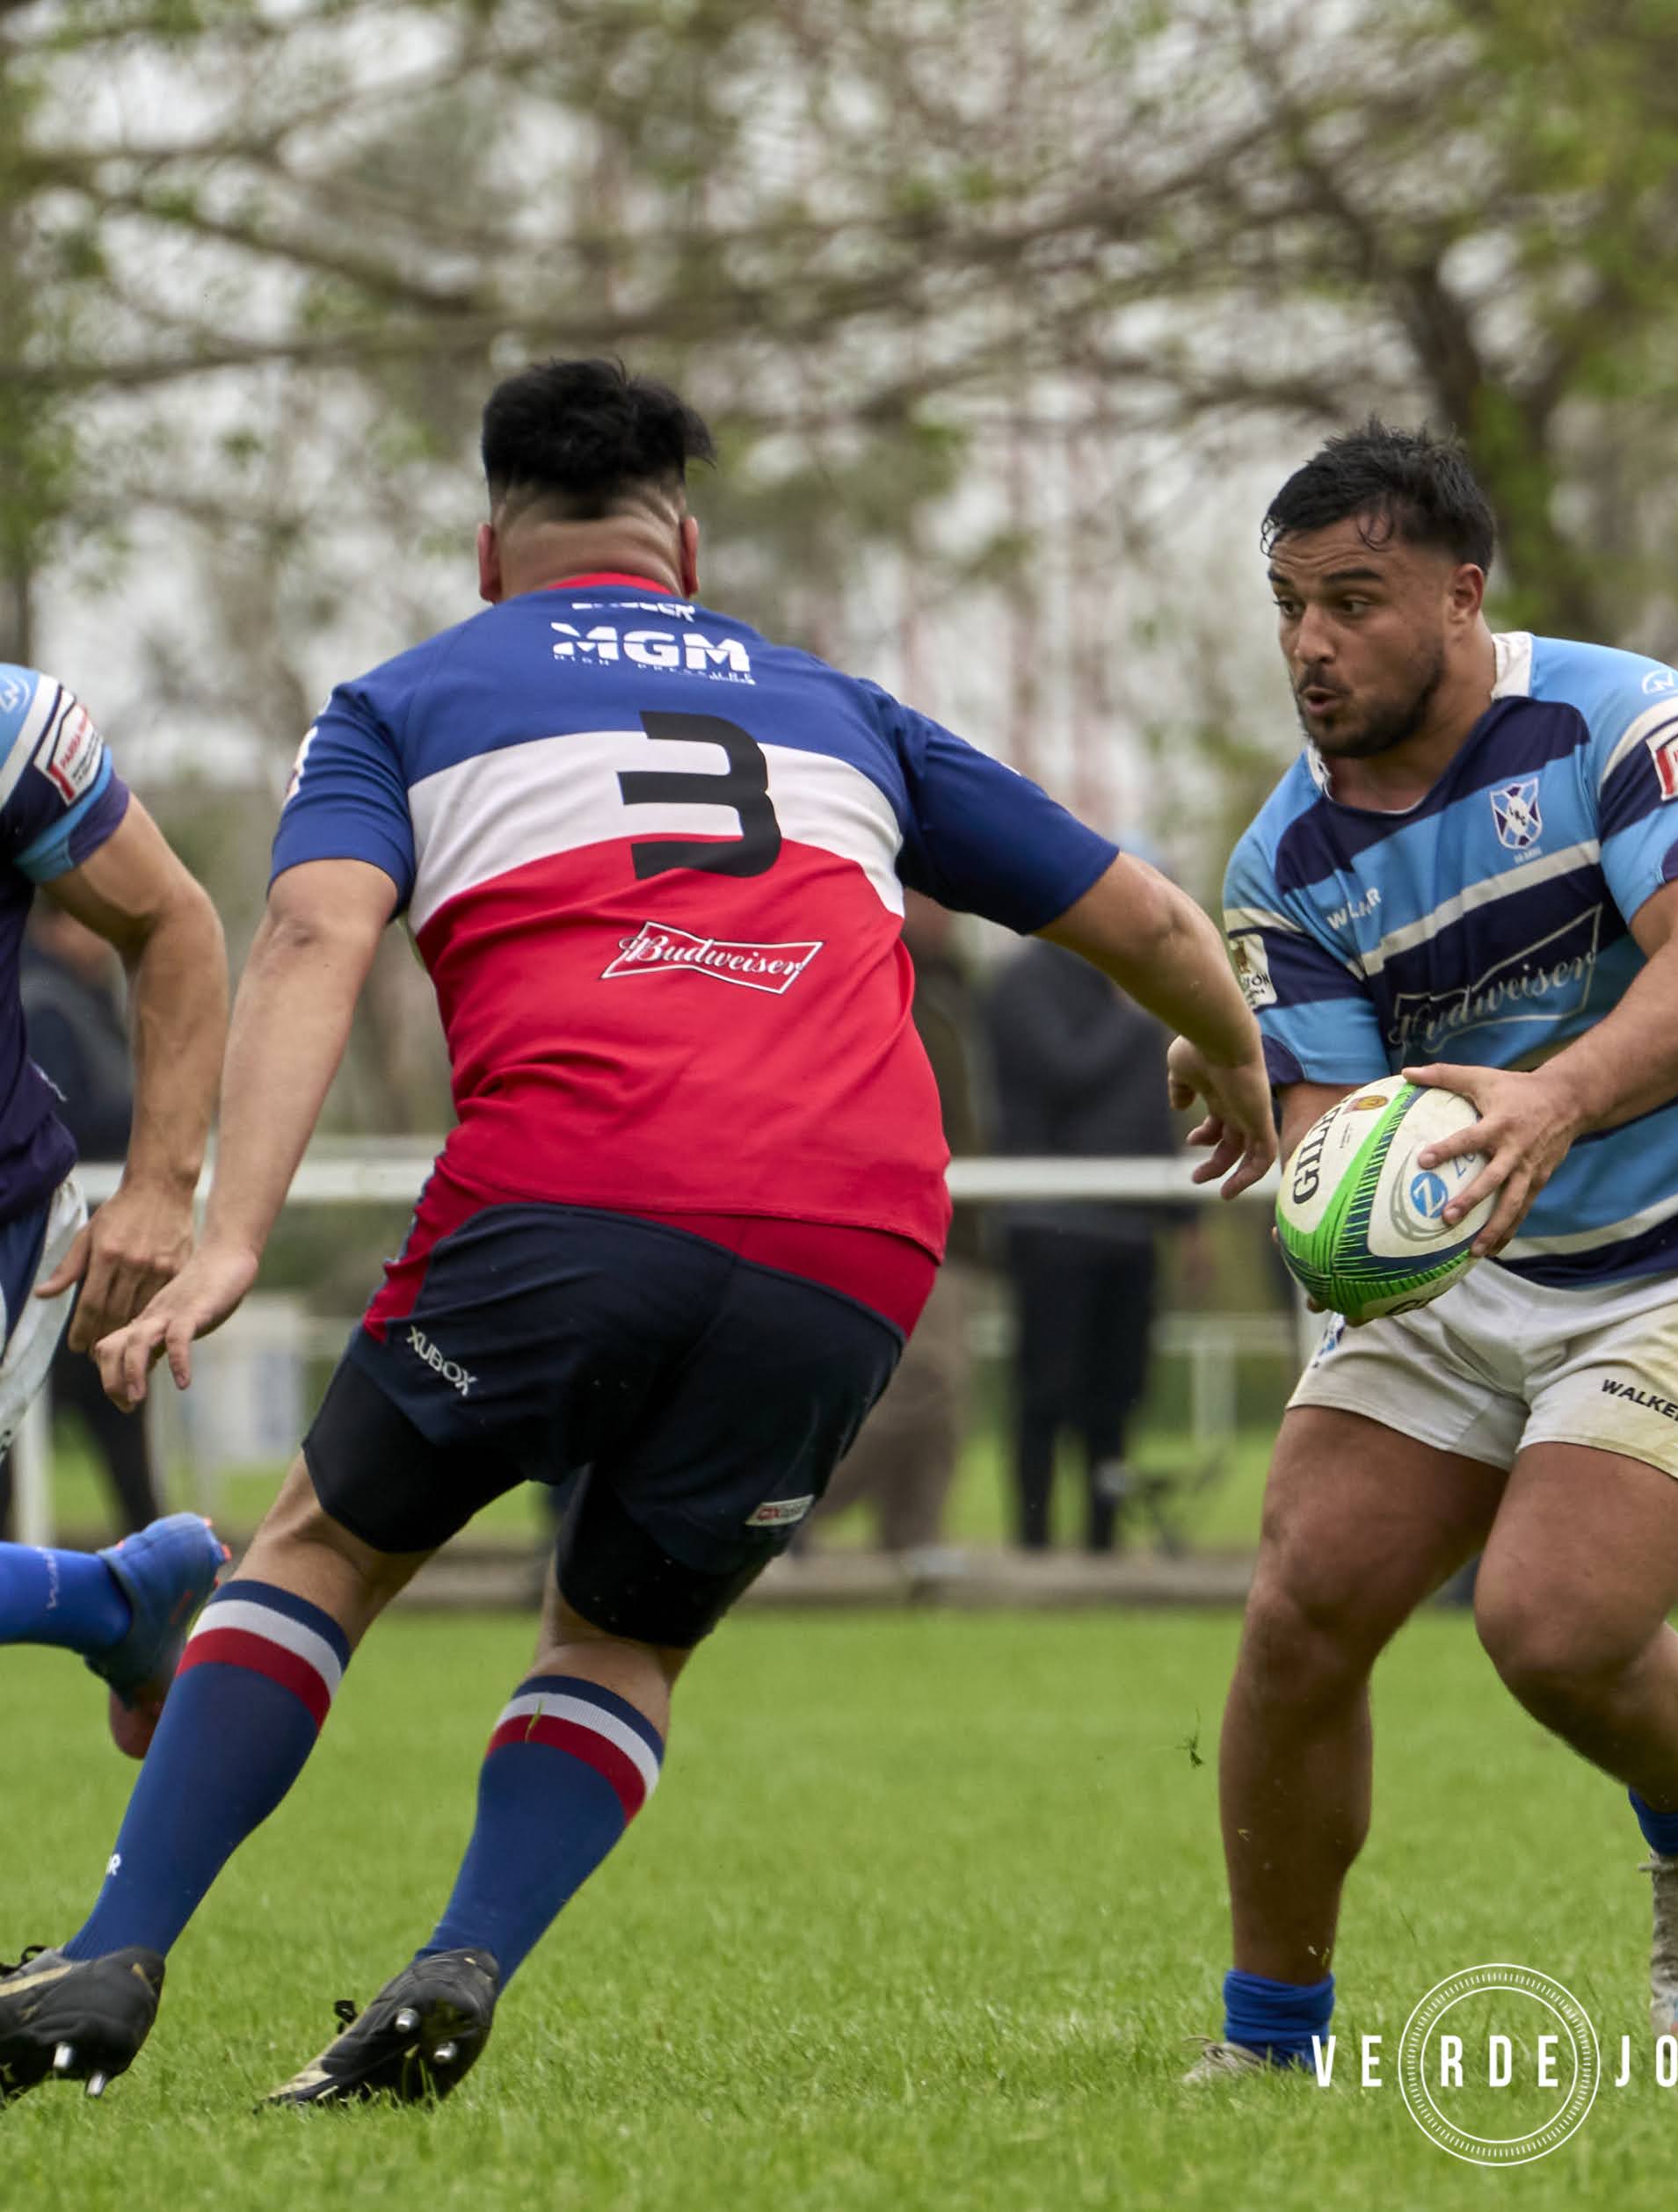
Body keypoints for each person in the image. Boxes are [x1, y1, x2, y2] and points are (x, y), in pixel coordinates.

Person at [0, 359, 1277, 2109]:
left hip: (574, 1181)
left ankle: (115, 1951)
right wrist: (1230, 1053)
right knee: (619, 1636)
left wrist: (232, 1229)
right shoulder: (844, 708)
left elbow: (309, 935)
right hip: (857, 1227)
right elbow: (1141, 914)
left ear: (486, 548)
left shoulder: (409, 697)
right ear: (682, 540)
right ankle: (466, 1955)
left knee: (319, 1551)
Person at [1183, 424, 1678, 2078]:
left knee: (1547, 1625)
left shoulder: (1623, 717)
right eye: (1287, 606)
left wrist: (1555, 1099)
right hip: (1467, 1255)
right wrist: (1278, 1113)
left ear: (1463, 595)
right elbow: (1344, 1133)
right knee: (1302, 1595)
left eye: (1353, 600)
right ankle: (1270, 2043)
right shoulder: (1289, 858)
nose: (1310, 646)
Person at [0, 669, 231, 1761]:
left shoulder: (11, 727)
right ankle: (114, 1603)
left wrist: (158, 1187)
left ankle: (116, 1603)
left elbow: (173, 920)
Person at [983, 937, 1180, 1553]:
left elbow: (1156, 1109)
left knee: (1114, 1401)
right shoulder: (1022, 983)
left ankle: (1103, 1546)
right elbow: (1065, 1070)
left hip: (1131, 1230)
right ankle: (1034, 1546)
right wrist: (1132, 1015)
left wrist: (1185, 1216)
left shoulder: (1121, 982)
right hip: (1051, 1226)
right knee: (1045, 1393)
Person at [807, 893, 986, 1562]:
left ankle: (915, 1539)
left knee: (949, 1395)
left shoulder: (956, 989)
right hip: (902, 1216)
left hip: (962, 1219)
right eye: (929, 897)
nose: (945, 910)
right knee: (926, 1379)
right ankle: (791, 1509)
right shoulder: (875, 976)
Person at [4, 903, 170, 1534]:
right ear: (57, 925)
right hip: (64, 1260)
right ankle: (160, 1568)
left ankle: (157, 1563)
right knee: (111, 1426)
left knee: (108, 1430)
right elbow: (55, 1126)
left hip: (75, 1259)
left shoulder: (72, 995)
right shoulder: (42, 1001)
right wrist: (147, 1125)